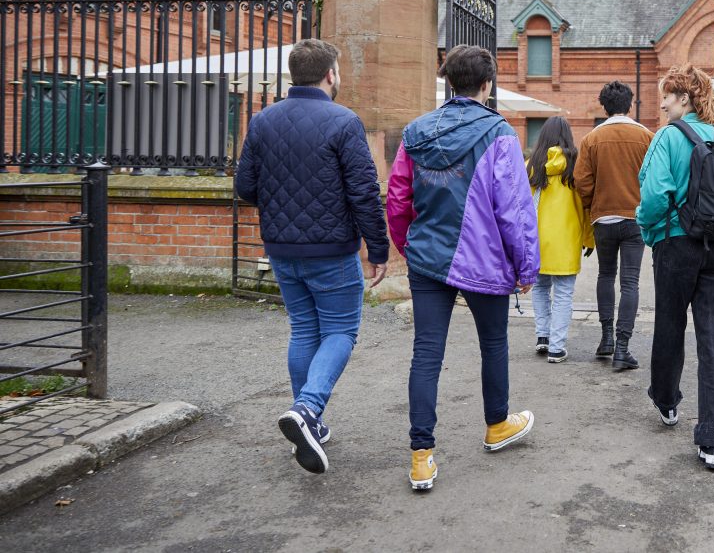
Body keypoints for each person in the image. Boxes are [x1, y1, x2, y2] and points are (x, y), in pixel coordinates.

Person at [386, 45, 539, 492]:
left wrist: (406, 245)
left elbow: (398, 197)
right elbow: (513, 209)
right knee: (493, 343)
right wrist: (526, 266)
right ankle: (496, 426)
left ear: (448, 81)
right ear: (487, 85)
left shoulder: (416, 132)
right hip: (483, 259)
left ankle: (421, 456)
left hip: (428, 258)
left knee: (426, 353)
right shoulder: (500, 135)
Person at [234, 39, 389, 476]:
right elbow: (363, 192)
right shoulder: (343, 121)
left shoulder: (262, 121)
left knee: (304, 329)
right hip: (331, 249)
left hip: (282, 249)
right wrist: (377, 249)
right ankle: (306, 409)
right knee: (340, 330)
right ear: (331, 74)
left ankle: (310, 425)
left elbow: (245, 188)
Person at [636, 64, 714, 471]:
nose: (663, 103)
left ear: (685, 98)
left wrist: (649, 228)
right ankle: (712, 441)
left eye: (668, 96)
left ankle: (668, 403)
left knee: (670, 327)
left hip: (675, 246)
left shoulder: (668, 138)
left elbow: (655, 196)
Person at [574, 81, 653, 371]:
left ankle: (606, 337)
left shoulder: (592, 139)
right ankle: (623, 347)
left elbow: (582, 181)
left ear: (604, 106)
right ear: (630, 104)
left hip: (603, 218)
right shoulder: (646, 136)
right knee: (630, 282)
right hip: (635, 218)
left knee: (606, 275)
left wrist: (593, 203)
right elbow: (655, 178)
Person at [527, 116, 593, 364]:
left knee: (541, 288)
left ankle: (542, 336)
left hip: (537, 241)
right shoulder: (576, 167)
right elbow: (585, 206)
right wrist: (589, 239)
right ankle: (556, 347)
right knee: (564, 293)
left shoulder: (531, 166)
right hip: (566, 240)